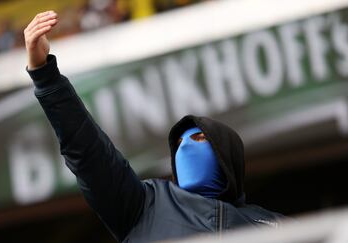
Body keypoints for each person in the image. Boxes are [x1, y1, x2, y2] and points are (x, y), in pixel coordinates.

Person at [24, 11, 284, 243]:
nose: (184, 149)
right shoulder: (144, 205)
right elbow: (88, 152)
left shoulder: (273, 226)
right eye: (179, 144)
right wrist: (45, 76)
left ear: (228, 155)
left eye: (200, 138)